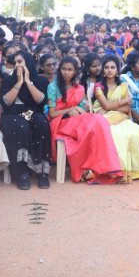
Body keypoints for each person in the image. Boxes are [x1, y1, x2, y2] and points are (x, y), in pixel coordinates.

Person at [47, 56, 123, 184]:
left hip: (77, 120)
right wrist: (70, 110)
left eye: (70, 69)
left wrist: (79, 108)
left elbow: (82, 111)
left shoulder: (79, 88)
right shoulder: (52, 87)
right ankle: (85, 169)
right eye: (64, 69)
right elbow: (52, 113)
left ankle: (102, 167)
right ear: (59, 70)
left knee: (99, 121)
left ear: (75, 71)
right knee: (89, 126)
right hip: (60, 122)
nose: (66, 72)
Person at [0, 52, 52, 189]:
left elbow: (41, 102)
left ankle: (42, 171)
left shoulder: (41, 81)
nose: (17, 65)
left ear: (28, 63)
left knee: (42, 124)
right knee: (21, 127)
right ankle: (21, 173)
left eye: (20, 62)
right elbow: (6, 103)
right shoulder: (8, 80)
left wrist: (28, 82)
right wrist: (19, 82)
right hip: (12, 115)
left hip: (33, 113)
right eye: (15, 62)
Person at [92, 55, 139, 181]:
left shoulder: (123, 86)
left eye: (113, 67)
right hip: (104, 119)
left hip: (122, 118)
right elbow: (105, 105)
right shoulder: (99, 86)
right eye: (106, 67)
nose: (109, 70)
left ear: (118, 70)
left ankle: (134, 171)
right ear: (103, 70)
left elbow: (127, 110)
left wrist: (112, 107)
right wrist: (122, 102)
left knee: (135, 132)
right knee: (117, 134)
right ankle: (115, 170)